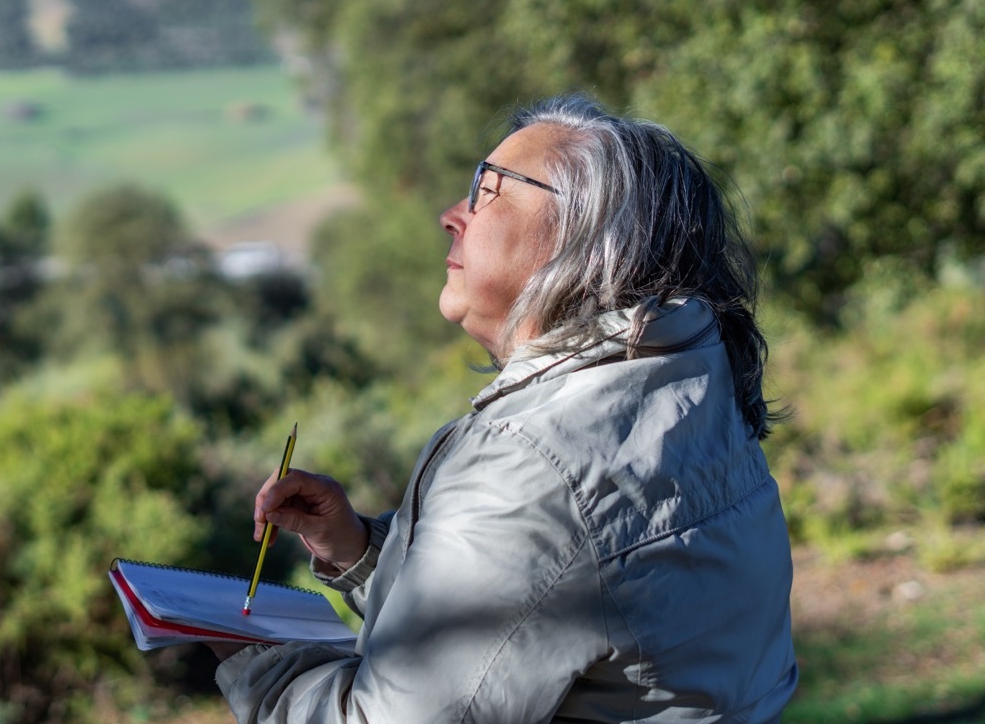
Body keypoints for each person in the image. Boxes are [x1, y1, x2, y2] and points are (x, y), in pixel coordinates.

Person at [209, 93, 798, 722]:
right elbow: (551, 591)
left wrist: (253, 657)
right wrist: (358, 549)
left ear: (589, 235)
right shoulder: (678, 384)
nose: (450, 215)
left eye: (487, 189)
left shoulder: (534, 462)